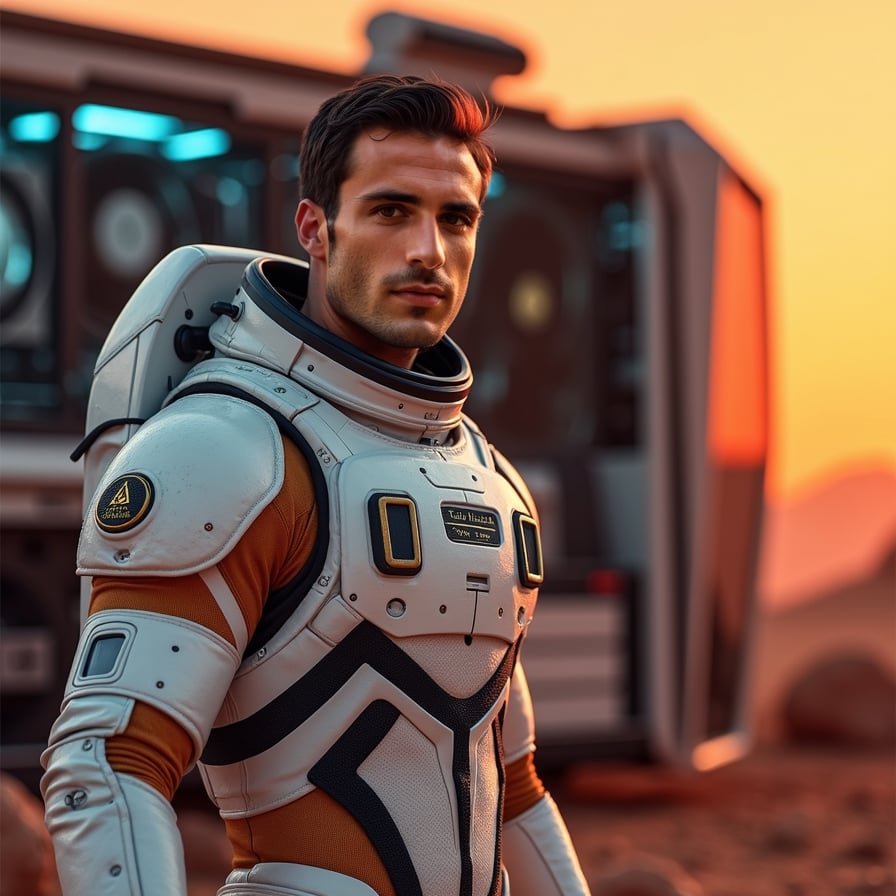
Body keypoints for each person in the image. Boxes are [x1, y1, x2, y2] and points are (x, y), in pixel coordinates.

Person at [41, 75, 592, 896]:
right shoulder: (227, 450)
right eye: (391, 210)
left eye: (456, 218)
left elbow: (512, 787)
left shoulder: (485, 473)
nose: (428, 251)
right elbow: (107, 764)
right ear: (315, 228)